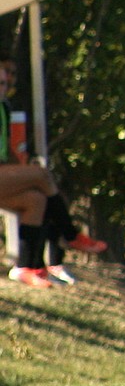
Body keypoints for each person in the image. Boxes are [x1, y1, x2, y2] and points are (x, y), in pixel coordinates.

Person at [0, 63, 107, 288]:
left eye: (5, 83)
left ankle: (24, 268)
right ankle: (70, 235)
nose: (3, 88)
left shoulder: (4, 108)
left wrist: (20, 169)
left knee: (35, 200)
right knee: (41, 175)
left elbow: (6, 149)